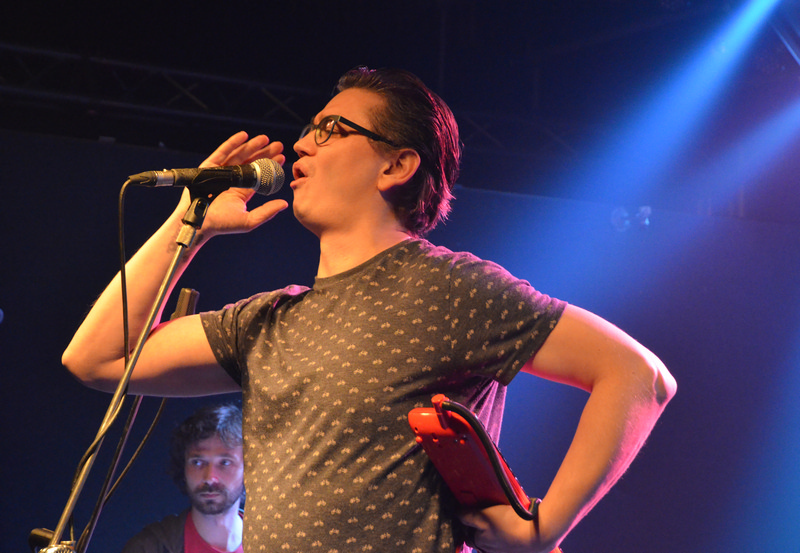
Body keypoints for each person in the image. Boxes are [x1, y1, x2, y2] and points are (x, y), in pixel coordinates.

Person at [63, 67, 676, 553]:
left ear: (396, 164)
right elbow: (96, 359)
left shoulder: (447, 288)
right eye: (309, 128)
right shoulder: (267, 321)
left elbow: (638, 375)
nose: (301, 143)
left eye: (331, 129)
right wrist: (188, 224)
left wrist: (545, 525)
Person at [121, 404, 246, 553]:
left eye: (225, 463)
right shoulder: (148, 548)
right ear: (184, 466)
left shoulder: (269, 540)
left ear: (249, 469)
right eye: (197, 462)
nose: (210, 478)